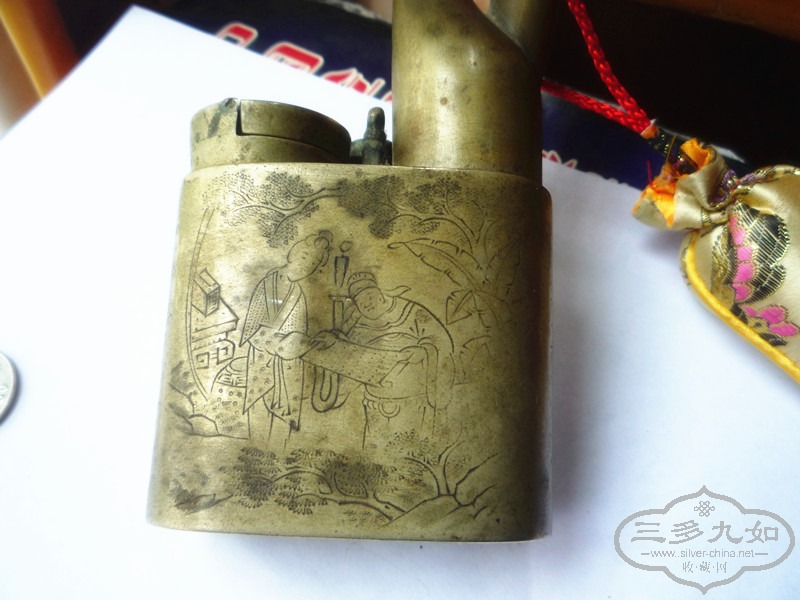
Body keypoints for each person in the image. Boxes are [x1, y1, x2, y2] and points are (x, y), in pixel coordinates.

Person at [315, 271, 455, 446]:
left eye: (369, 297)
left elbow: (441, 341)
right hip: (374, 404)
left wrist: (424, 351)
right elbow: (351, 356)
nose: (367, 305)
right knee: (376, 449)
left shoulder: (411, 312)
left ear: (381, 295)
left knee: (413, 449)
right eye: (360, 303)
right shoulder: (358, 324)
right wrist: (333, 344)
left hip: (413, 404)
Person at [240, 231, 332, 448]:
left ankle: (278, 450)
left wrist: (308, 342)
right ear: (293, 254)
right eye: (304, 257)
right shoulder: (269, 283)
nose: (306, 266)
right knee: (261, 419)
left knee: (284, 427)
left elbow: (297, 330)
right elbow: (254, 330)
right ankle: (258, 448)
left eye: (313, 264)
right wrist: (284, 343)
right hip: (264, 359)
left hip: (288, 363)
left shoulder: (297, 291)